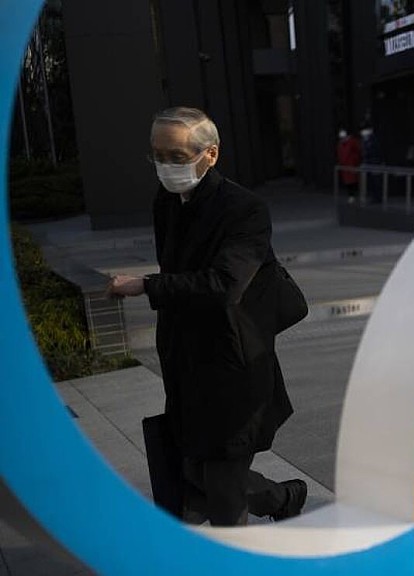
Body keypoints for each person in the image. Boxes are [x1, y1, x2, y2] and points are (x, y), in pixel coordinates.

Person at [107, 107, 307, 526]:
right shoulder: (166, 202)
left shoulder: (245, 209)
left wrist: (147, 285)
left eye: (177, 157)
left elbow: (225, 284)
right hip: (185, 361)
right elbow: (178, 267)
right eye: (157, 155)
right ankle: (283, 498)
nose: (165, 166)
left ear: (210, 154)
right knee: (196, 472)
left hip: (233, 364)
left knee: (222, 487)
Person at [336, 128, 362, 203]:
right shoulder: (340, 143)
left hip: (352, 165)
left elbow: (358, 151)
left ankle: (354, 195)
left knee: (353, 181)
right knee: (348, 182)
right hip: (345, 165)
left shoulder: (353, 141)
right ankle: (351, 195)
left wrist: (355, 161)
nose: (343, 138)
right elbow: (340, 153)